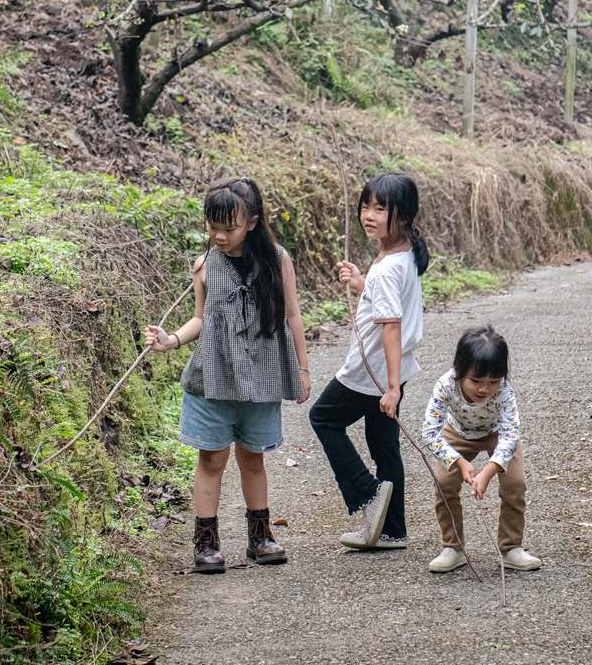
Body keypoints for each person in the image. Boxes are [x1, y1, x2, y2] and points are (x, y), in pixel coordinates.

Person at [145, 177, 312, 574]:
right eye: (212, 226)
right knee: (212, 458)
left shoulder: (278, 260)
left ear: (251, 223)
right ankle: (206, 543)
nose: (219, 236)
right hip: (213, 377)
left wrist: (303, 369)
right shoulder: (204, 266)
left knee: (253, 457)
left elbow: (292, 315)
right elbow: (201, 319)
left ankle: (261, 537)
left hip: (261, 375)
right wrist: (171, 341)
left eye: (228, 227)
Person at [310, 172, 428, 550]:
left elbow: (390, 326)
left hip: (373, 370)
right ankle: (393, 530)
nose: (369, 215)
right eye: (366, 206)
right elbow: (387, 300)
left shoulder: (390, 266)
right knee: (383, 444)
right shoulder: (401, 253)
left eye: (381, 208)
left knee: (323, 417)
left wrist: (391, 388)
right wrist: (364, 283)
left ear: (404, 216)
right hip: (391, 368)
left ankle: (368, 492)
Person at [421, 325, 541, 573]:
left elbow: (510, 435)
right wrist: (459, 462)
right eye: (475, 381)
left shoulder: (505, 391)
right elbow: (430, 432)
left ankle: (511, 548)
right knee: (444, 483)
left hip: (497, 434)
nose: (484, 389)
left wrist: (488, 471)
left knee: (515, 484)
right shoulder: (445, 385)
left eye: (493, 382)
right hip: (458, 434)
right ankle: (453, 548)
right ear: (459, 371)